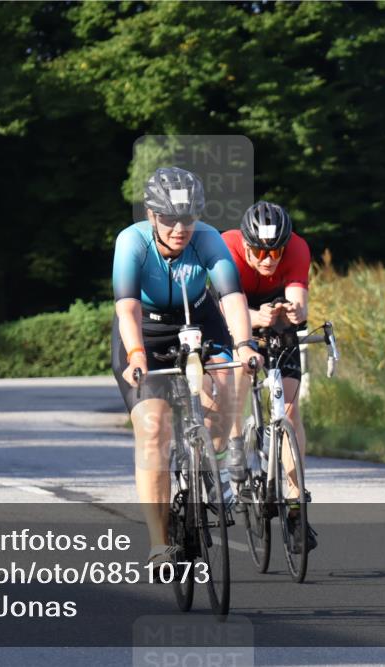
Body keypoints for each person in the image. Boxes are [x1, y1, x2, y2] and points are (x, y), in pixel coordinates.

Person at [112, 167, 262, 565]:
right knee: (153, 432)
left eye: (189, 218)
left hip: (198, 318)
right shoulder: (132, 242)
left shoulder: (209, 239)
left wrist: (245, 345)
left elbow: (231, 297)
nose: (180, 228)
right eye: (169, 219)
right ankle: (160, 544)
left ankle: (208, 467)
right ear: (151, 215)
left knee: (225, 397)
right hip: (147, 332)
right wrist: (137, 356)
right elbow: (127, 309)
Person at [221, 201, 317, 550]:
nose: (267, 259)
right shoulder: (225, 247)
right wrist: (253, 320)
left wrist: (291, 312)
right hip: (237, 311)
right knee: (239, 373)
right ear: (245, 243)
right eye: (259, 251)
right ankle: (235, 443)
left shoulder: (297, 248)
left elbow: (301, 303)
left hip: (274, 316)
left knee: (290, 412)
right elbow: (224, 306)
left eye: (275, 251)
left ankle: (294, 508)